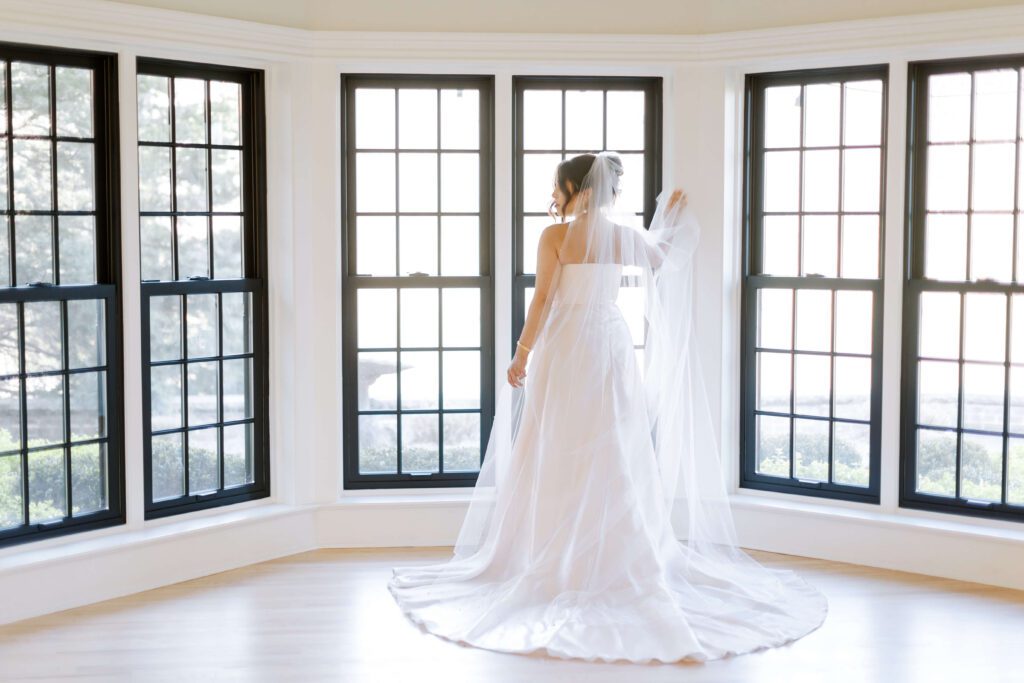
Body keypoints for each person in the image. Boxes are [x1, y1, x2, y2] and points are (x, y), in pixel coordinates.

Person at [387, 151, 828, 664]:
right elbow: (664, 255)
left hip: (566, 345)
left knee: (556, 447)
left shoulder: (555, 238)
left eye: (560, 188)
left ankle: (554, 559)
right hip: (610, 345)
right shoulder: (622, 236)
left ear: (583, 191)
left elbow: (543, 301)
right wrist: (671, 218)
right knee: (613, 446)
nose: (554, 196)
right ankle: (618, 559)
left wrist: (521, 354)